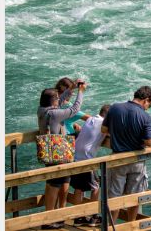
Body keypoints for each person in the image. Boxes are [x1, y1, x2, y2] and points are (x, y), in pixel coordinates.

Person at [101, 86, 151, 224]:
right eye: (149, 104)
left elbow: (103, 129)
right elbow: (149, 142)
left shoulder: (114, 108)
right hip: (137, 162)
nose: (147, 108)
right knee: (134, 197)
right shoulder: (145, 116)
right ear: (146, 100)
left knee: (114, 197)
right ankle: (131, 225)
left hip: (118, 160)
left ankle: (110, 225)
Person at [36, 80, 86, 230]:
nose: (60, 99)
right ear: (53, 101)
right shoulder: (55, 114)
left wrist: (71, 87)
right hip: (57, 154)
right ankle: (49, 221)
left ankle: (51, 219)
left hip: (48, 151)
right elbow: (75, 109)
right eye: (57, 98)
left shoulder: (42, 110)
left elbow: (62, 100)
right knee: (55, 185)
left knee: (54, 183)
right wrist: (81, 92)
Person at [68, 104, 110, 226]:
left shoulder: (91, 119)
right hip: (86, 159)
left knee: (78, 188)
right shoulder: (103, 123)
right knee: (95, 187)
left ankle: (78, 218)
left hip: (75, 156)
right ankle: (94, 217)